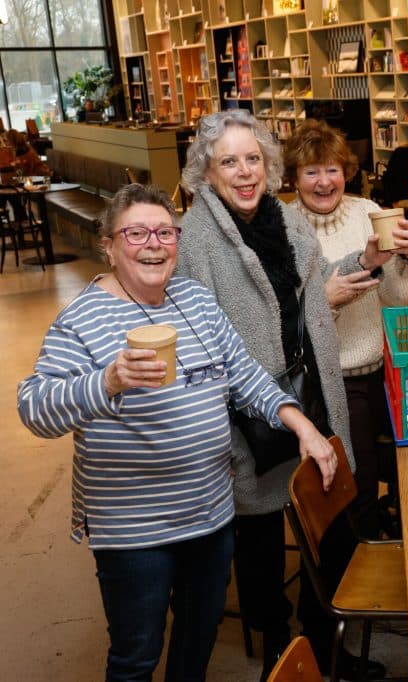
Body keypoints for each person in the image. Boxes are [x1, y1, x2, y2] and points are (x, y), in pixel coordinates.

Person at [16, 183, 337, 681]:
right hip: (133, 530)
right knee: (137, 655)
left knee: (198, 636)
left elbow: (244, 375)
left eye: (165, 232)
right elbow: (35, 408)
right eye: (137, 232)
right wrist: (109, 379)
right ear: (109, 244)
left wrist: (302, 424)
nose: (153, 243)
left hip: (209, 514)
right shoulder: (82, 318)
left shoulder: (194, 298)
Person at [174, 110, 375, 679]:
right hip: (245, 412)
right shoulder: (196, 241)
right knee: (259, 539)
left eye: (253, 159)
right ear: (206, 172)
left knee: (326, 519)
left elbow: (312, 304)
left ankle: (327, 641)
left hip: (308, 391)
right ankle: (280, 650)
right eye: (229, 161)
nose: (244, 172)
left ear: (269, 164)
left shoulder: (287, 221)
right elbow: (199, 347)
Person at [283, 119, 408, 542]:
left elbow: (399, 296)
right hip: (331, 384)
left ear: (347, 171)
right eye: (311, 171)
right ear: (294, 177)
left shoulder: (369, 213)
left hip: (384, 371)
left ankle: (404, 549)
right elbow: (285, 320)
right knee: (357, 486)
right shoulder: (283, 228)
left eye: (332, 169)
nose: (324, 181)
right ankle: (356, 581)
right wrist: (329, 299)